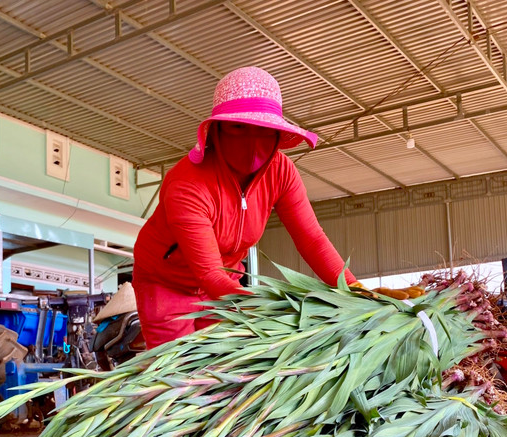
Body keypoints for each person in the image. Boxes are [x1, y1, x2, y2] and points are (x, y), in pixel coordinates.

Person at [132, 66, 411, 349]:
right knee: (177, 369)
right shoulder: (189, 182)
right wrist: (275, 308)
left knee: (222, 362)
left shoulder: (281, 172)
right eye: (238, 127)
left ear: (278, 135)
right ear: (216, 130)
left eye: (264, 130)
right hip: (166, 283)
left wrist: (353, 288)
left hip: (227, 276)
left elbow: (311, 239)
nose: (253, 142)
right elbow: (209, 274)